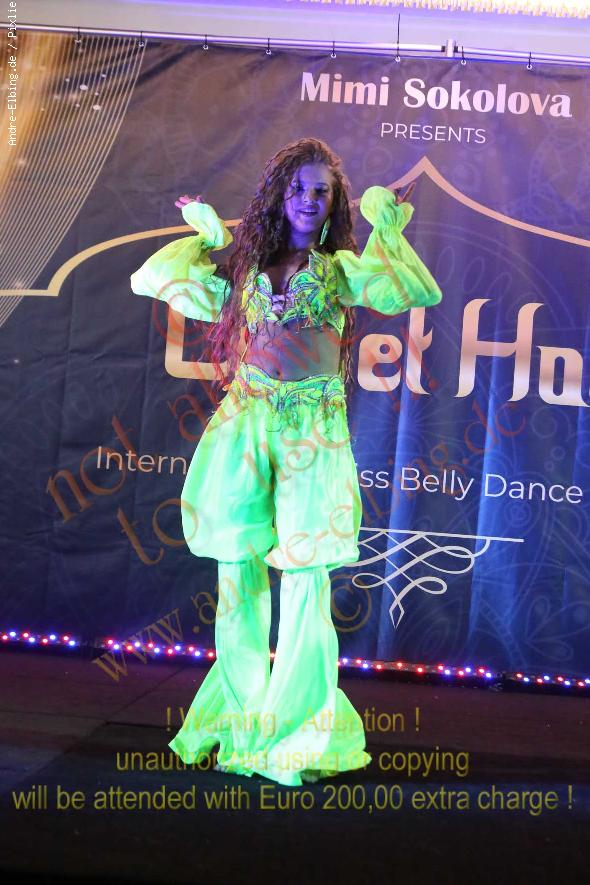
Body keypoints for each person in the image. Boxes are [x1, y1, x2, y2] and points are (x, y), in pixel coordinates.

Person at [130, 137, 442, 787]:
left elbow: (410, 287)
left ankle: (295, 724)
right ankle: (243, 715)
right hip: (246, 423)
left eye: (320, 191)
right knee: (237, 571)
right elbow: (159, 278)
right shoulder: (247, 269)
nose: (307, 199)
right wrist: (206, 236)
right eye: (297, 188)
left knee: (305, 575)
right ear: (279, 195)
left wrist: (387, 224)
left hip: (312, 434)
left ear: (333, 203)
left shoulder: (340, 270)